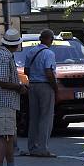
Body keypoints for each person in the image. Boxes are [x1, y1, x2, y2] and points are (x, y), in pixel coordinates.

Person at [0, 29, 31, 166]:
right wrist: (19, 87)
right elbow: (0, 80)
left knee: (8, 138)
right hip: (4, 103)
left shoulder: (1, 53)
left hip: (5, 103)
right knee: (4, 138)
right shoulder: (4, 56)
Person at [23, 29, 58, 158]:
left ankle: (32, 147)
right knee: (46, 117)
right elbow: (48, 72)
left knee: (34, 117)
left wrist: (34, 76)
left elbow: (26, 70)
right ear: (50, 39)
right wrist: (55, 88)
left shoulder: (31, 52)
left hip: (32, 85)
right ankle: (43, 148)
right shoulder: (49, 53)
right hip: (45, 86)